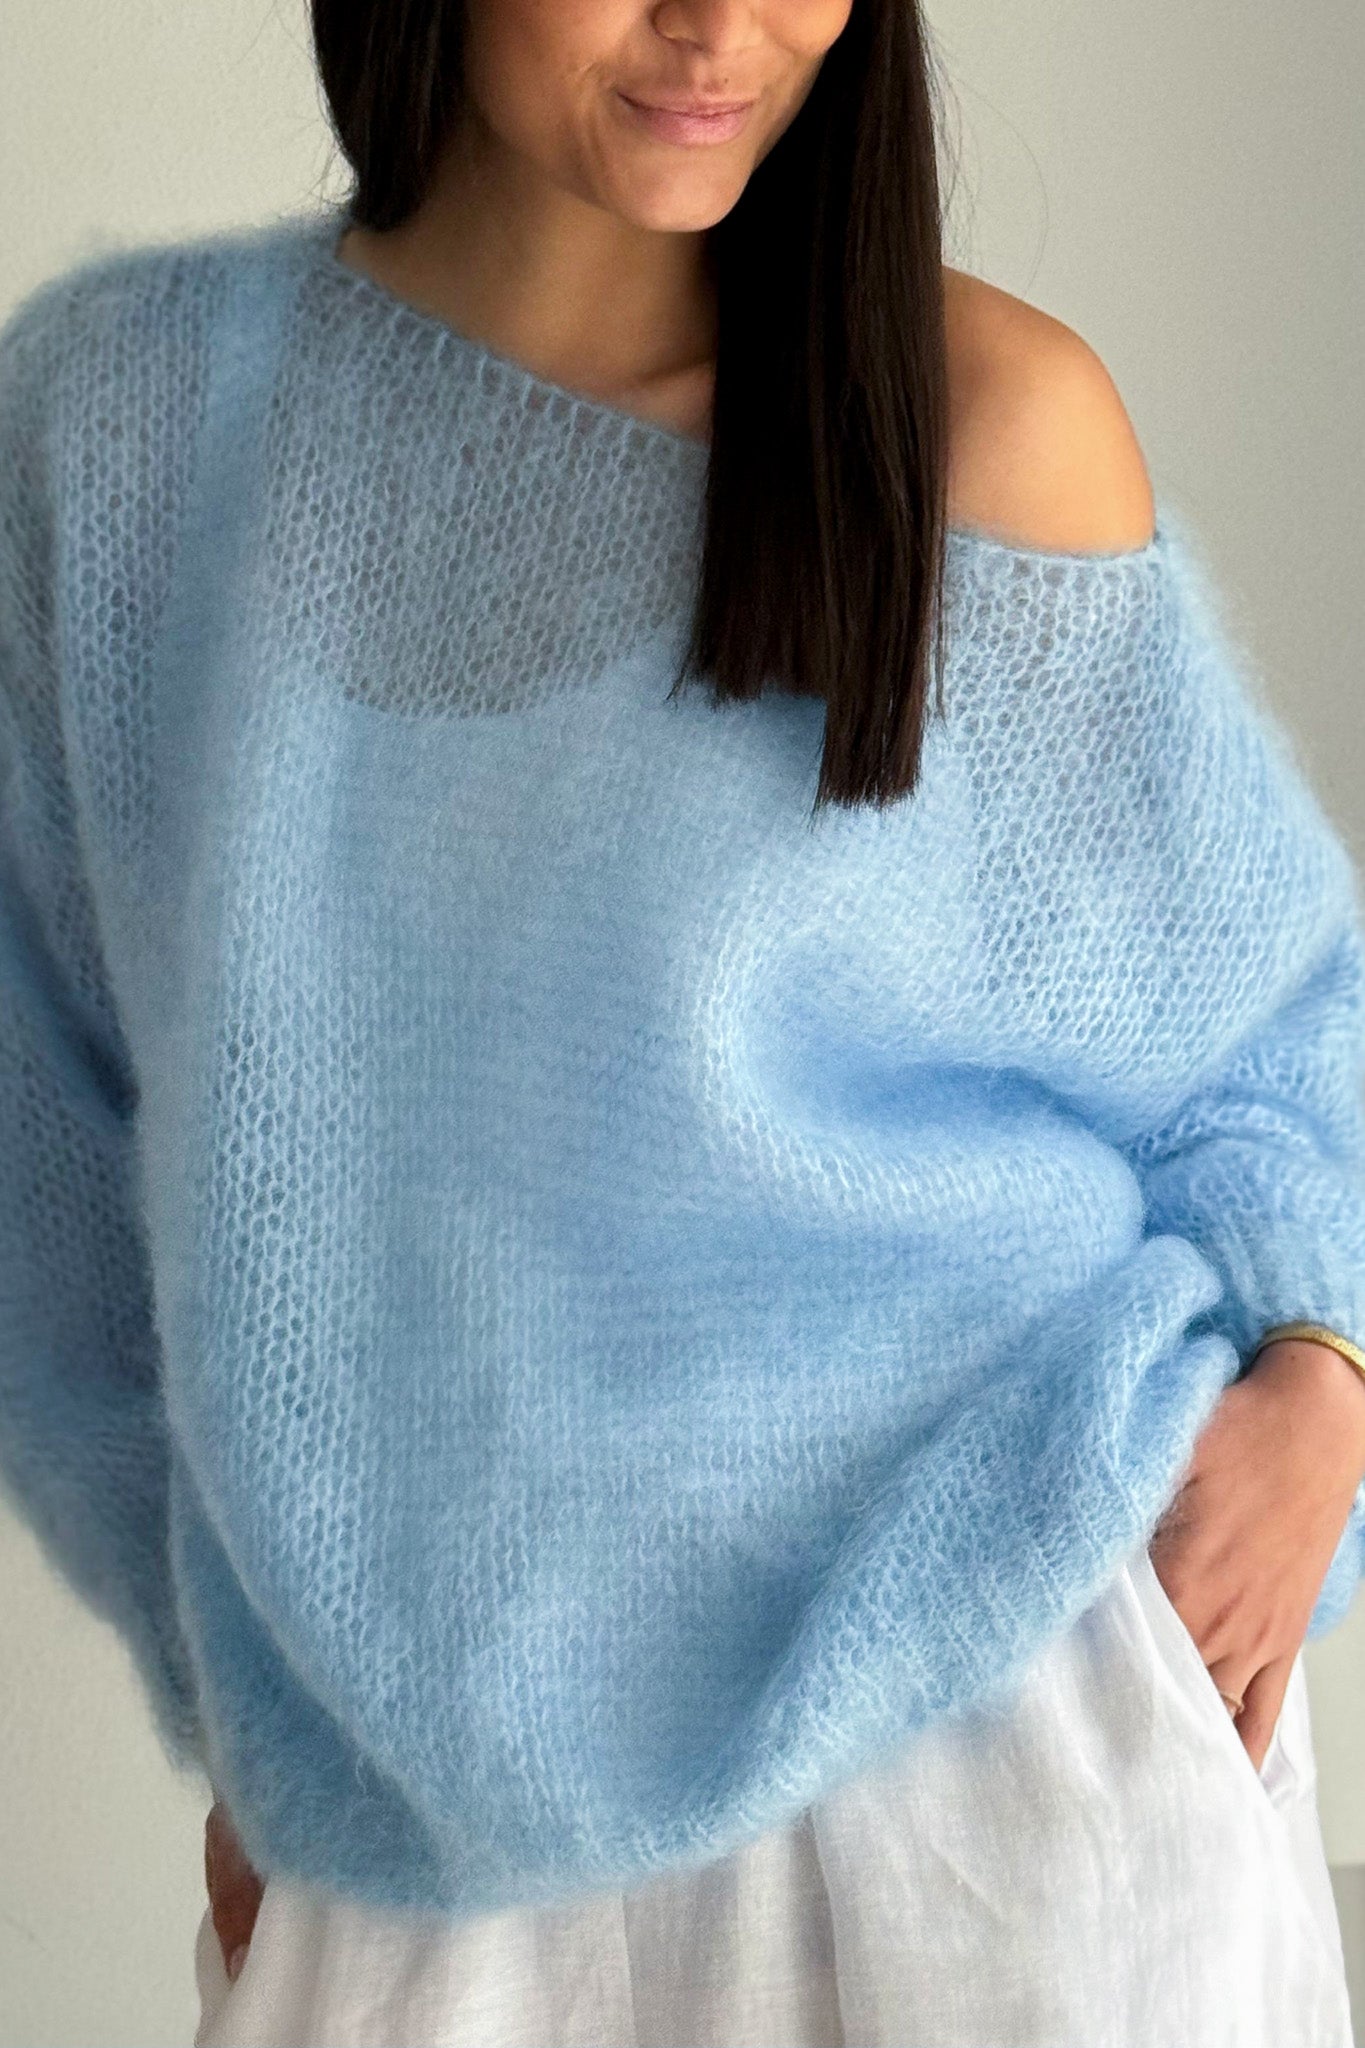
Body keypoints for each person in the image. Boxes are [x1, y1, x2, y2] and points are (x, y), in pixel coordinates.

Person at [3, 2, 1365, 2043]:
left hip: (1011, 1734)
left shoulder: (979, 426)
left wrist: (1325, 1378)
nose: (721, 25)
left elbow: (1263, 1037)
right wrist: (244, 1716)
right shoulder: (127, 428)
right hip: (435, 1818)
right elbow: (46, 1145)